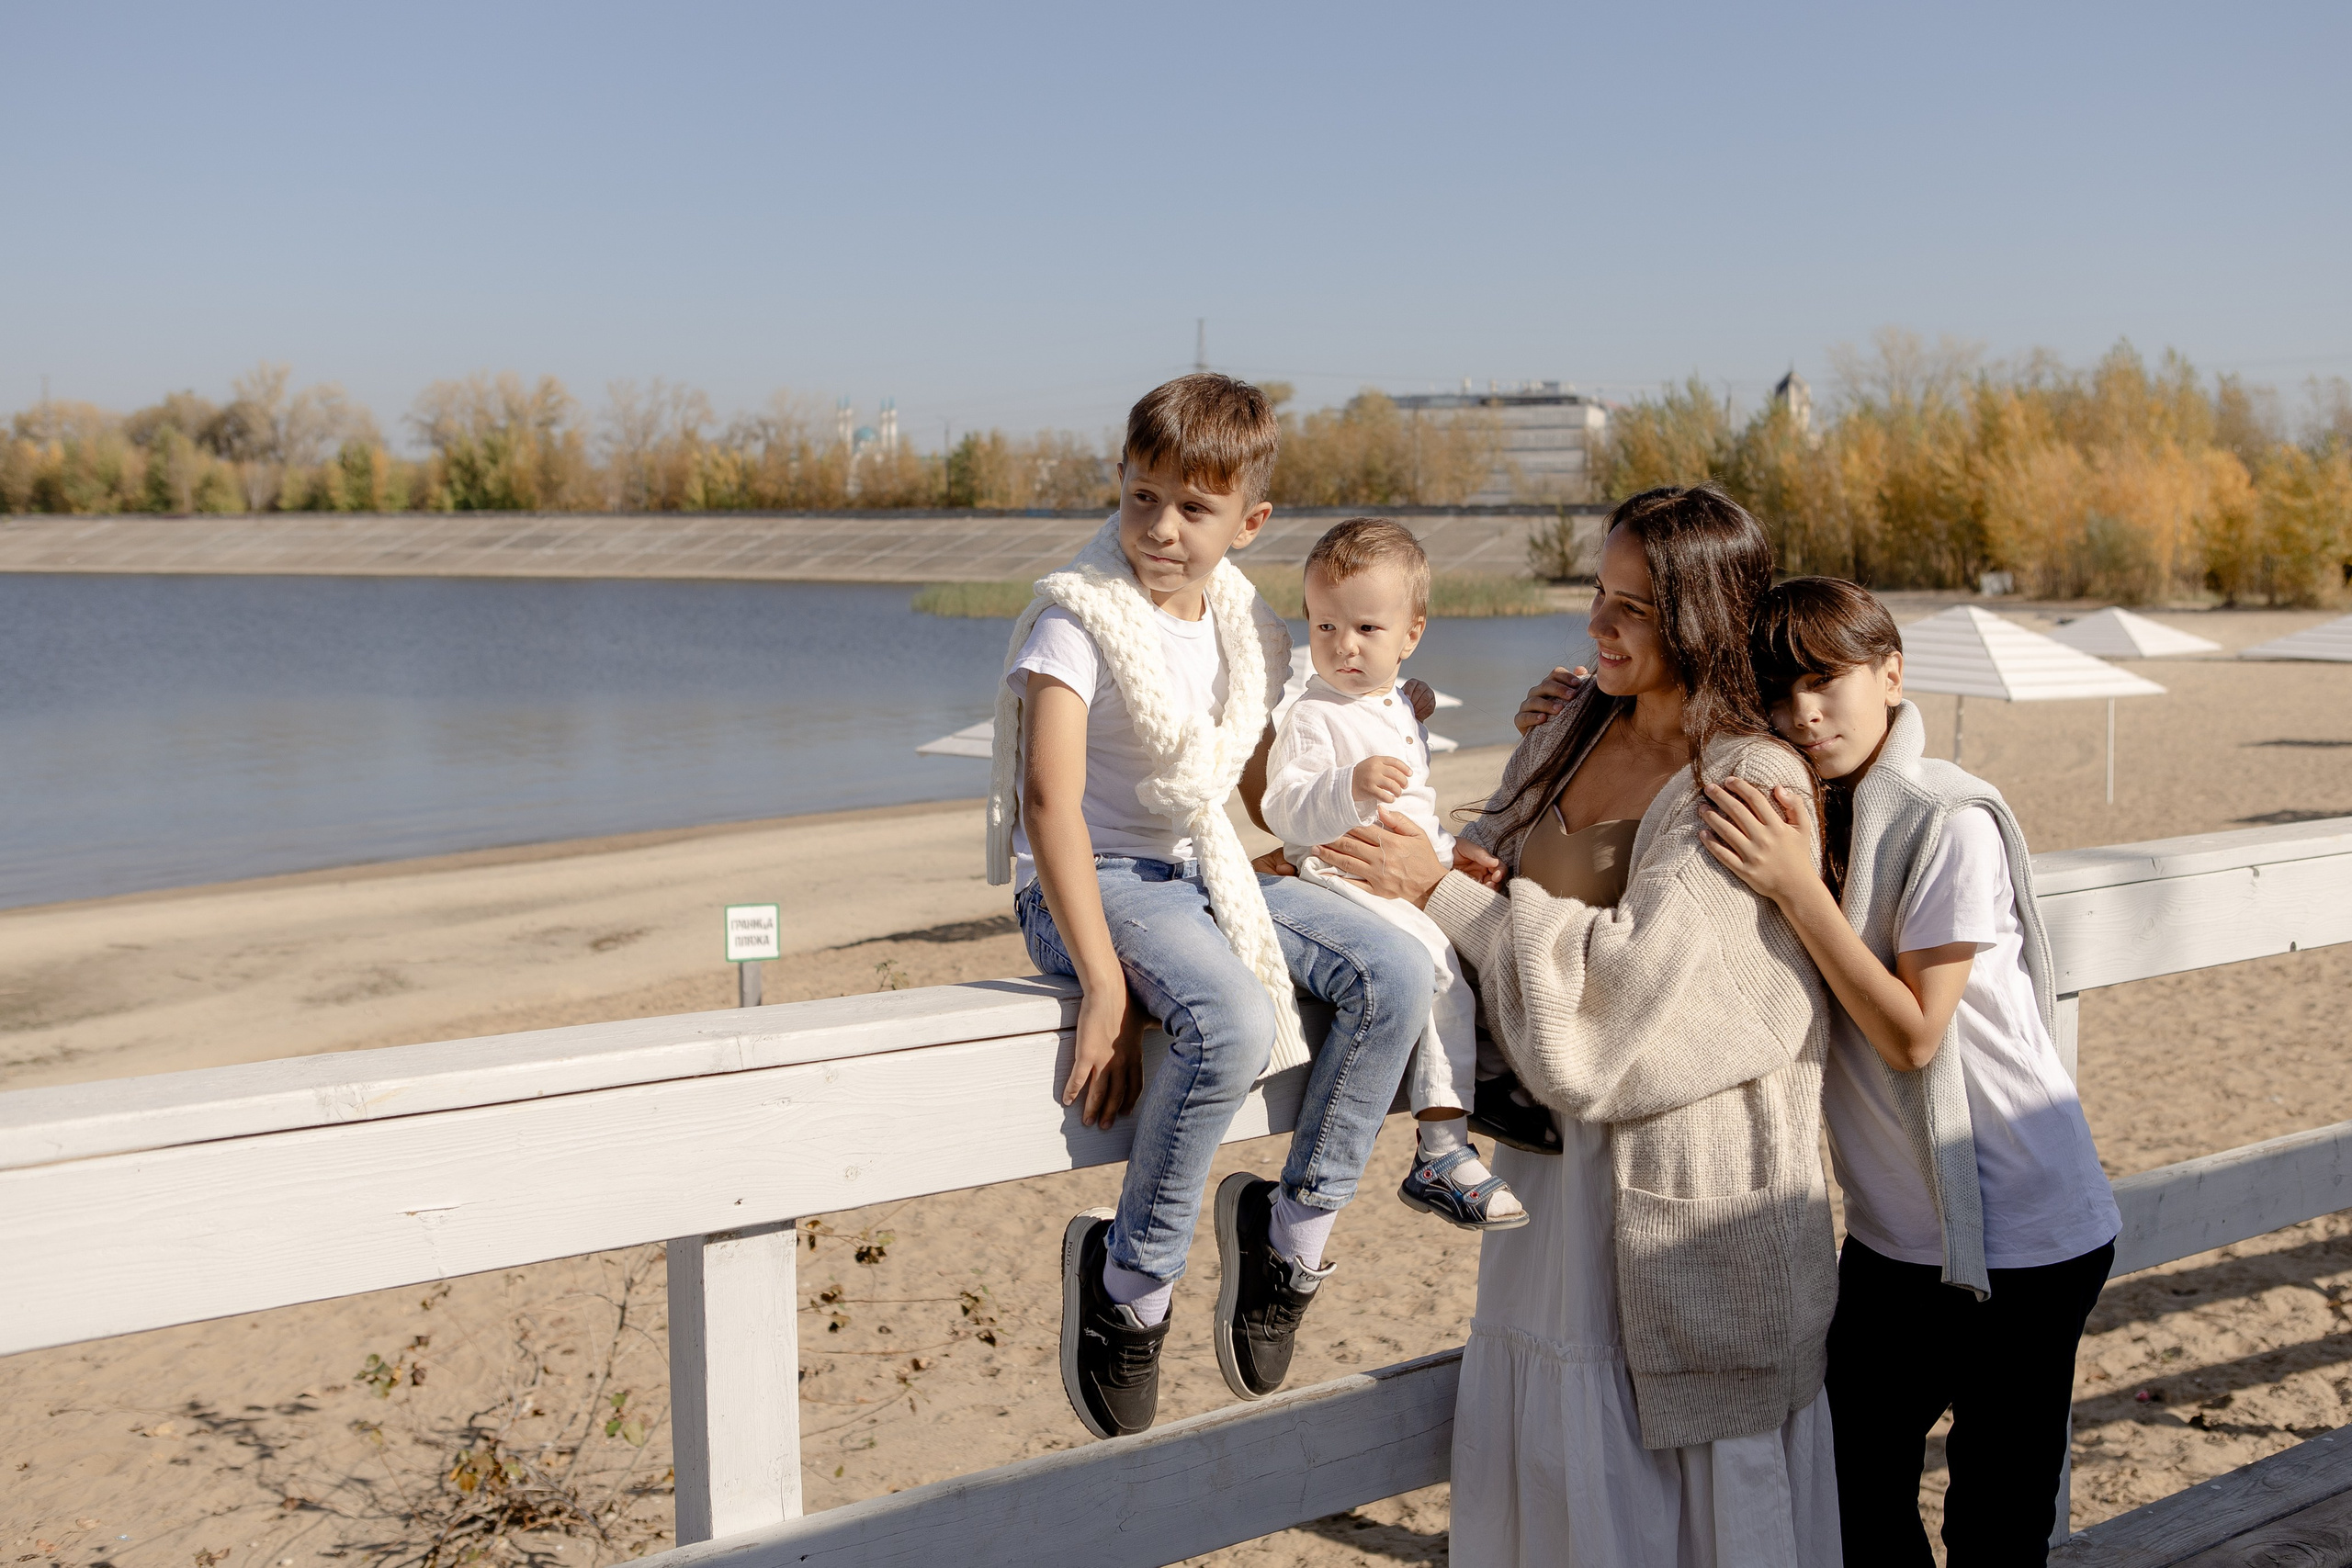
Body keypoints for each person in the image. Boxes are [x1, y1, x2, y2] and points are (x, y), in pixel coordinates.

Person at [1317, 485, 1841, 1567]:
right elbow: (1488, 854)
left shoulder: (1746, 778)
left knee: (1672, 1471)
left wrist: (1448, 893)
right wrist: (1452, 866)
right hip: (1553, 1171)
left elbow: (1620, 994)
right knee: (1560, 1465)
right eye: (1597, 596)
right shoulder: (1568, 728)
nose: (1598, 627)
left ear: (1702, 615)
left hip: (1675, 1182)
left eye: (1633, 609)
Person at [988, 373, 1434, 1441]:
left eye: (1194, 509)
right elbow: (1047, 804)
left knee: (1396, 973)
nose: (1160, 529)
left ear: (1249, 521)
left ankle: (1292, 1231)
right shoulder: (1077, 619)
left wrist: (1355, 841)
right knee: (1228, 1022)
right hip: (1084, 882)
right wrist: (1101, 981)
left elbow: (1253, 793)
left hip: (1200, 870)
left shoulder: (1251, 630)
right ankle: (1128, 1283)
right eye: (1143, 498)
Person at [1696, 576, 2120, 1564]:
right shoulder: (1808, 813)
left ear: (1890, 674)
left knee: (1996, 1520)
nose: (1802, 712)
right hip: (1895, 1239)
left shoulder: (1943, 820)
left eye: (1825, 681)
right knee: (1844, 1482)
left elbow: (1913, 1036)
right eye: (1779, 690)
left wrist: (1799, 891)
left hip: (2025, 1234)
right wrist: (1580, 706)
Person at [1261, 517, 1523, 1231]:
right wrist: (1348, 783)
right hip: (1343, 872)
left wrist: (1447, 854)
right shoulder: (1314, 714)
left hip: (1396, 866)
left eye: (1367, 629)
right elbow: (1282, 805)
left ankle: (1490, 1089)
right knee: (1434, 963)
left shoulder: (1395, 702)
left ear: (1410, 634)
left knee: (1478, 942)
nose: (1343, 646)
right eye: (1324, 626)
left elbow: (1413, 805)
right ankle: (1441, 1146)